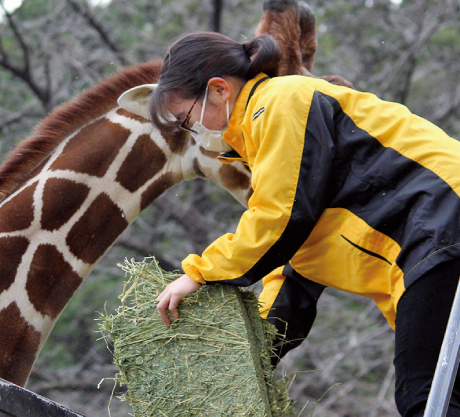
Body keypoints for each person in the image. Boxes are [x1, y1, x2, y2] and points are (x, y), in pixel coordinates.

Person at [150, 30, 460, 417]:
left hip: (442, 223)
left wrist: (197, 274)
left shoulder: (278, 103)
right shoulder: (274, 148)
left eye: (187, 118)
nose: (195, 130)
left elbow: (279, 218)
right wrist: (244, 358)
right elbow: (293, 268)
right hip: (435, 237)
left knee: (425, 395)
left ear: (218, 90)